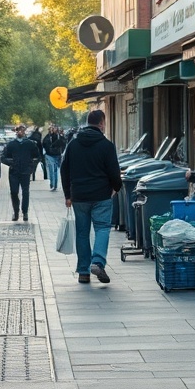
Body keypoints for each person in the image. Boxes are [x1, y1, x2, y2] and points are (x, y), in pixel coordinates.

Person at [60, 109, 122, 284]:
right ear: (101, 123)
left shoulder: (73, 144)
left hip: (79, 196)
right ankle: (98, 262)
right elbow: (114, 172)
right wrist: (116, 188)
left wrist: (68, 194)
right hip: (102, 195)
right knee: (102, 228)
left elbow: (64, 169)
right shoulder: (107, 145)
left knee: (82, 233)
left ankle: (83, 272)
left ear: (88, 122)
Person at [3, 124, 39, 221]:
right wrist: (11, 163)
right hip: (14, 172)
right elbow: (3, 157)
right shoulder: (11, 144)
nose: (20, 132)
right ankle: (16, 211)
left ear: (24, 132)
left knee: (25, 192)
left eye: (22, 130)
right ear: (16, 131)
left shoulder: (30, 144)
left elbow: (37, 156)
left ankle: (25, 212)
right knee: (14, 192)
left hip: (25, 171)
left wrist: (31, 167)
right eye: (18, 130)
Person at [42, 124, 66, 191]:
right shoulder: (50, 136)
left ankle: (54, 185)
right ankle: (53, 184)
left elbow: (63, 144)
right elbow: (44, 143)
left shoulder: (58, 137)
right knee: (53, 170)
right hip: (52, 155)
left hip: (55, 154)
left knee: (54, 170)